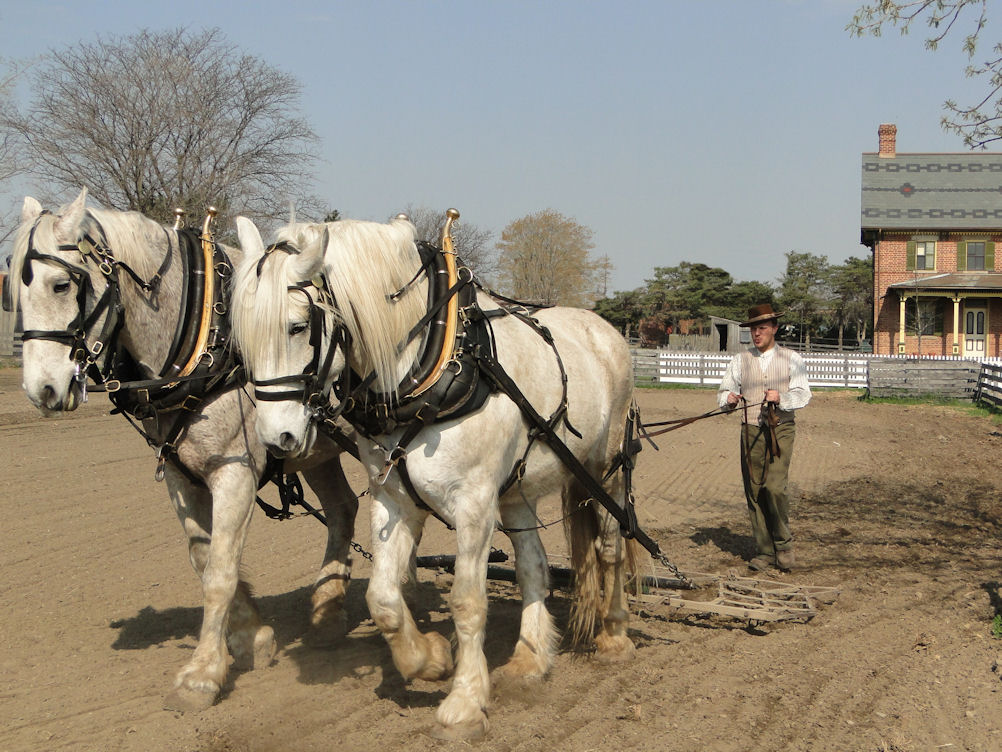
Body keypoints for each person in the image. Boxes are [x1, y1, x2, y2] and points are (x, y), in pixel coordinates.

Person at [717, 304, 811, 572]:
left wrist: (781, 398)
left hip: (780, 428)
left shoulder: (792, 359)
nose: (756, 334)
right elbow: (724, 391)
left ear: (774, 329)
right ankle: (764, 550)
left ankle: (784, 544)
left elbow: (803, 394)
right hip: (750, 430)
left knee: (775, 487)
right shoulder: (740, 360)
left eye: (761, 329)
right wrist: (730, 399)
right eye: (753, 329)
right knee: (754, 490)